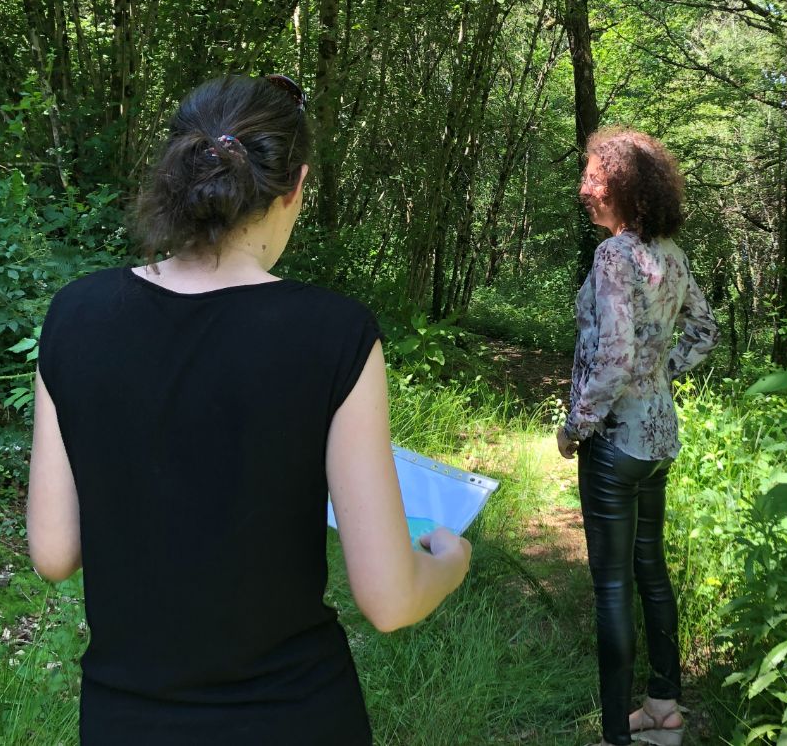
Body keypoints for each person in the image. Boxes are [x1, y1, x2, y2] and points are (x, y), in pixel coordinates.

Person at [26, 73, 471, 744]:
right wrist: (449, 557)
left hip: (126, 720)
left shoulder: (76, 315)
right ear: (294, 186)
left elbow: (55, 551)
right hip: (294, 716)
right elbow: (390, 598)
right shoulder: (334, 333)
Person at [556, 127, 719, 746]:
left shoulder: (614, 257)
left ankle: (614, 736)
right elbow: (704, 333)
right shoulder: (670, 254)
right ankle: (663, 710)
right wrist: (661, 376)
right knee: (651, 572)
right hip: (656, 444)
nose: (584, 188)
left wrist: (575, 427)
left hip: (613, 445)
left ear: (623, 186)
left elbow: (616, 358)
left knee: (613, 586)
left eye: (594, 176)